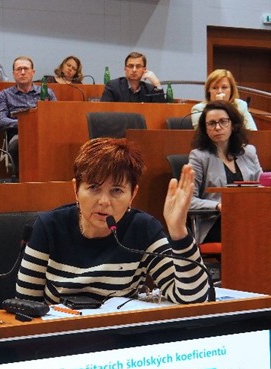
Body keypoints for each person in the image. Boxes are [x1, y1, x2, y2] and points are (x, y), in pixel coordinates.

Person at [16, 137, 211, 305]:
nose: (104, 201)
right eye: (93, 187)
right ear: (76, 190)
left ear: (133, 194)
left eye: (116, 190)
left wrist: (178, 231)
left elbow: (194, 300)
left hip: (121, 334)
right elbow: (25, 306)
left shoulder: (143, 229)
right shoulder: (48, 227)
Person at [189, 101, 262, 244]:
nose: (217, 127)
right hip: (216, 222)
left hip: (250, 217)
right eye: (211, 123)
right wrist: (218, 206)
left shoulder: (249, 152)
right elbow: (188, 201)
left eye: (223, 122)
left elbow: (262, 188)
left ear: (233, 125)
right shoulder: (199, 157)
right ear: (205, 129)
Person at [0, 56, 56, 173]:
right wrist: (24, 124)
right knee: (17, 144)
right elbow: (0, 120)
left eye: (26, 69)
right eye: (19, 69)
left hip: (44, 132)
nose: (22, 72)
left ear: (33, 72)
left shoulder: (46, 92)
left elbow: (56, 116)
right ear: (13, 74)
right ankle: (22, 178)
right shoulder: (5, 95)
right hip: (19, 134)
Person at [190, 69, 257, 131]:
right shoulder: (198, 109)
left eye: (224, 87)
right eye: (215, 88)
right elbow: (201, 134)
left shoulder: (240, 105)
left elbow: (253, 131)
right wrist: (218, 106)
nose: (220, 91)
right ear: (208, 90)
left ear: (231, 90)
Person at [100, 51, 165, 103]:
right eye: (130, 66)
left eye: (138, 66)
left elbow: (161, 110)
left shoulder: (149, 89)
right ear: (125, 69)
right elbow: (104, 111)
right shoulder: (113, 86)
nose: (134, 70)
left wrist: (157, 83)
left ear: (144, 70)